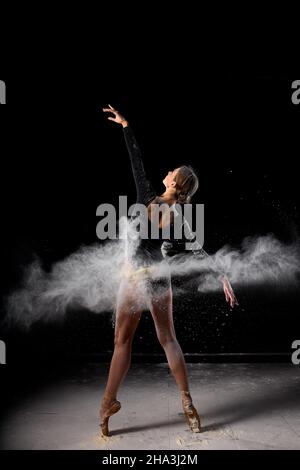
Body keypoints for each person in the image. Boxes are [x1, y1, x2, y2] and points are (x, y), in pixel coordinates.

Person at [100, 105, 238, 437]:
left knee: (122, 342)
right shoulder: (182, 219)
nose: (167, 172)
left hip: (134, 279)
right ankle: (188, 404)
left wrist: (127, 126)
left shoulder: (147, 196)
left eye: (172, 171)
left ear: (175, 182)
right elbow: (198, 250)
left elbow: (137, 161)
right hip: (160, 280)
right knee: (169, 340)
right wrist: (222, 276)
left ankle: (106, 406)